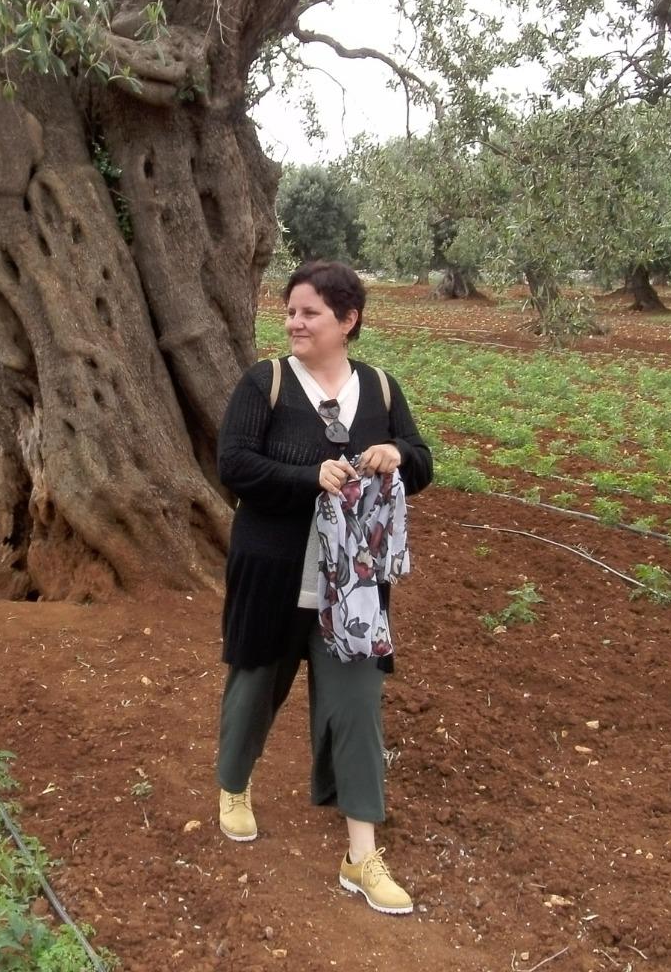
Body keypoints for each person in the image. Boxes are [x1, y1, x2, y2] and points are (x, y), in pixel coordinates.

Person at [213, 259, 434, 914]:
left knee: (359, 706)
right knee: (255, 684)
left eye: (309, 312)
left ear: (348, 320)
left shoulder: (383, 390)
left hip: (354, 589)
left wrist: (398, 457)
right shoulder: (268, 383)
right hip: (274, 572)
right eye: (290, 312)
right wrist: (309, 476)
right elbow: (234, 464)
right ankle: (233, 785)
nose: (294, 323)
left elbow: (421, 462)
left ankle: (361, 855)